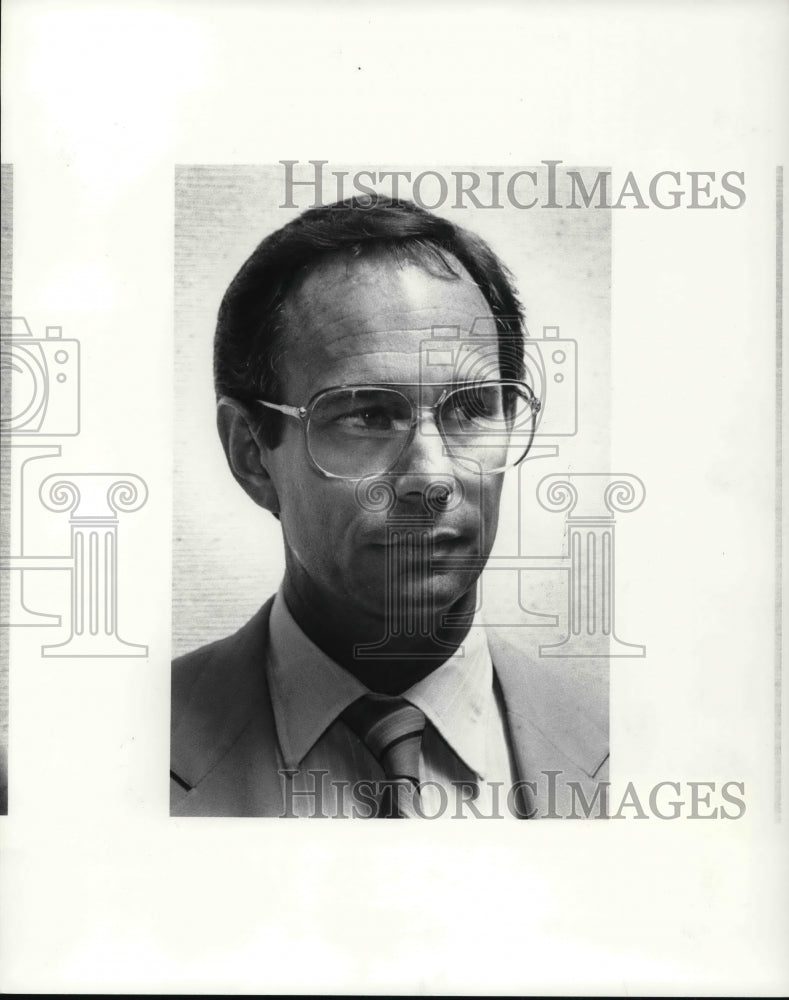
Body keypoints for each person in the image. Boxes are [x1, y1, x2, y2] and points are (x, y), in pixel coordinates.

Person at [170, 194, 608, 819]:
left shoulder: (631, 752)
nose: (432, 477)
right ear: (251, 454)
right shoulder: (91, 761)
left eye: (472, 408)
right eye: (368, 415)